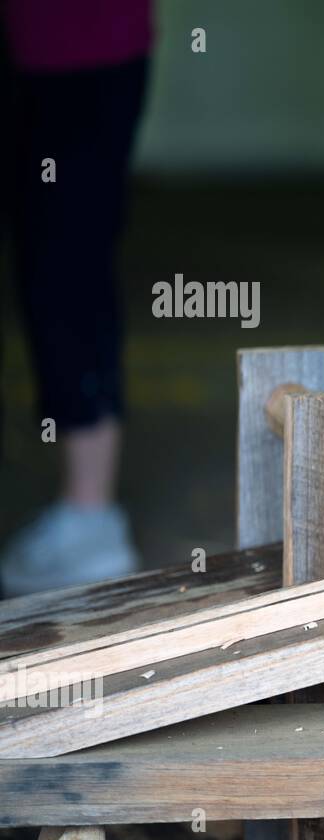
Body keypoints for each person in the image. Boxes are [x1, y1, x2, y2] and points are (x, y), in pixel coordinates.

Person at [0, 0, 151, 596]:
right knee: (64, 262)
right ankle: (88, 516)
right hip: (72, 47)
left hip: (71, 49)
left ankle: (89, 518)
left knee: (64, 263)